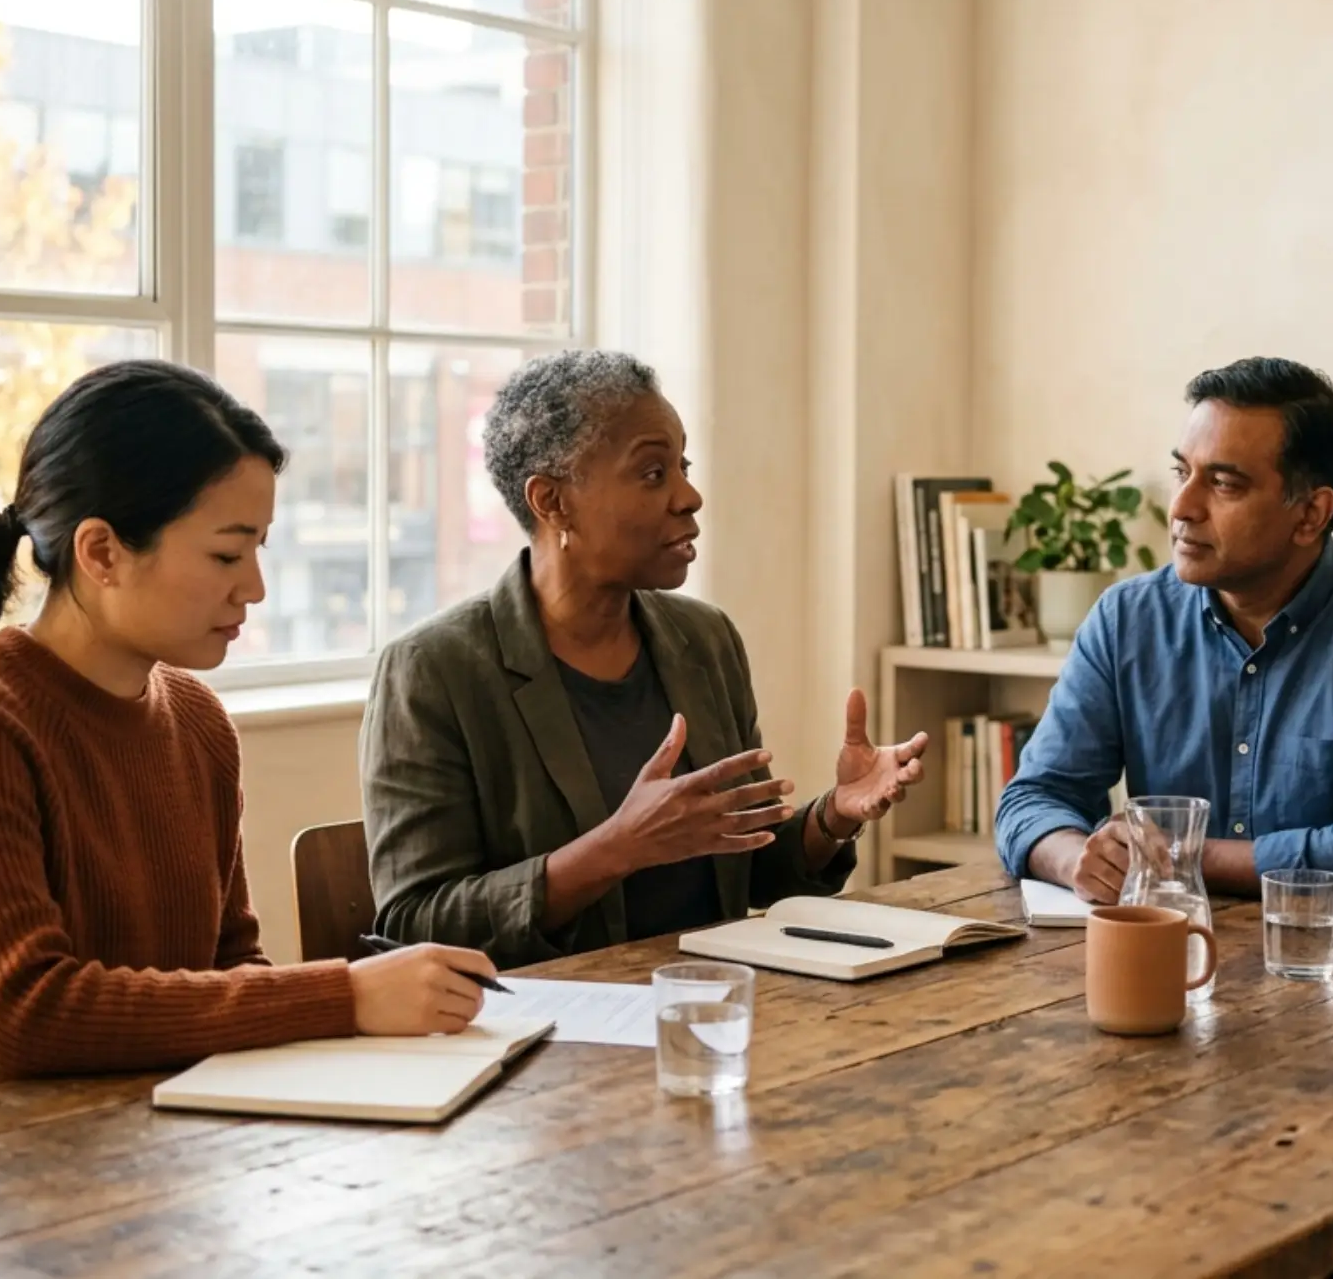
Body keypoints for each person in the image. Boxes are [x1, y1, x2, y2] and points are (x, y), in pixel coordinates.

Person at [0, 360, 495, 1116]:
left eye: (259, 550)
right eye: (225, 553)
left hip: (139, 1133)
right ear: (102, 552)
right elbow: (18, 1018)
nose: (254, 588)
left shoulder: (197, 720)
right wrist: (343, 995)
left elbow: (228, 966)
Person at [361, 349, 928, 969]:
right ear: (552, 502)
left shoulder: (705, 640)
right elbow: (414, 927)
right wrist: (617, 848)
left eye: (682, 466)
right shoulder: (432, 671)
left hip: (711, 1008)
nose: (690, 496)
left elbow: (748, 875)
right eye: (653, 474)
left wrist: (834, 815)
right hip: (544, 1035)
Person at [995, 356, 1333, 911]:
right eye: (1181, 473)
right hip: (1167, 959)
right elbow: (1033, 798)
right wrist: (1077, 858)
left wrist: (1177, 856)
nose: (1182, 507)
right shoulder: (1127, 618)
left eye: (1223, 484)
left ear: (1311, 513)